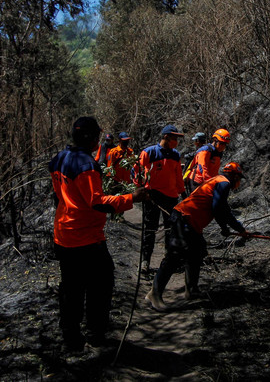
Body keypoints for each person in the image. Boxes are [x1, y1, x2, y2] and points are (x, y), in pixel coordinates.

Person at [49, 117, 148, 351]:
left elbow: (58, 196)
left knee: (71, 288)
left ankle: (71, 339)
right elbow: (97, 202)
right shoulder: (86, 165)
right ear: (92, 138)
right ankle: (95, 334)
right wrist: (132, 198)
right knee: (99, 286)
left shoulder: (58, 159)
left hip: (63, 235)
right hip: (85, 238)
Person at [145, 161, 249, 310]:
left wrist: (229, 227)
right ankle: (154, 293)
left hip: (191, 222)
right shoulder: (224, 183)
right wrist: (236, 228)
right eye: (238, 178)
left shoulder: (218, 180)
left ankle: (191, 290)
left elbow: (221, 208)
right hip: (184, 219)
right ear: (233, 176)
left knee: (197, 251)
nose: (238, 182)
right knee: (174, 256)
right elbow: (219, 208)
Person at [135, 125, 187, 273]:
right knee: (150, 229)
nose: (176, 141)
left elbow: (178, 176)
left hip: (171, 197)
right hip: (152, 197)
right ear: (165, 137)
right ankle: (145, 261)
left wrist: (183, 194)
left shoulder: (175, 155)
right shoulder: (149, 152)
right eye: (174, 138)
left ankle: (168, 261)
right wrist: (141, 189)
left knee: (171, 230)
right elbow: (136, 171)